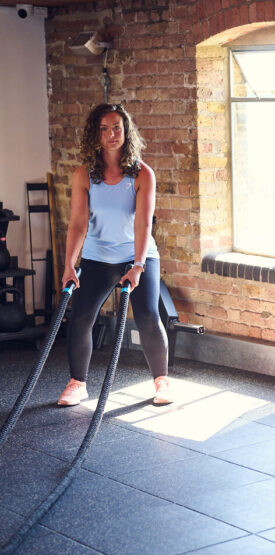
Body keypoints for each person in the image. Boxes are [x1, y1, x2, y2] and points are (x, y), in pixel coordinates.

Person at [58, 103, 171, 407]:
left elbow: (143, 222)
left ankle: (162, 383)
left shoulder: (142, 173)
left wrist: (137, 265)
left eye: (117, 127)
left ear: (126, 130)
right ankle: (77, 384)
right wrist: (70, 264)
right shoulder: (84, 175)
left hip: (138, 255)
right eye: (105, 128)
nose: (111, 134)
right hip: (97, 257)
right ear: (95, 134)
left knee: (147, 315)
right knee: (80, 317)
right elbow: (79, 223)